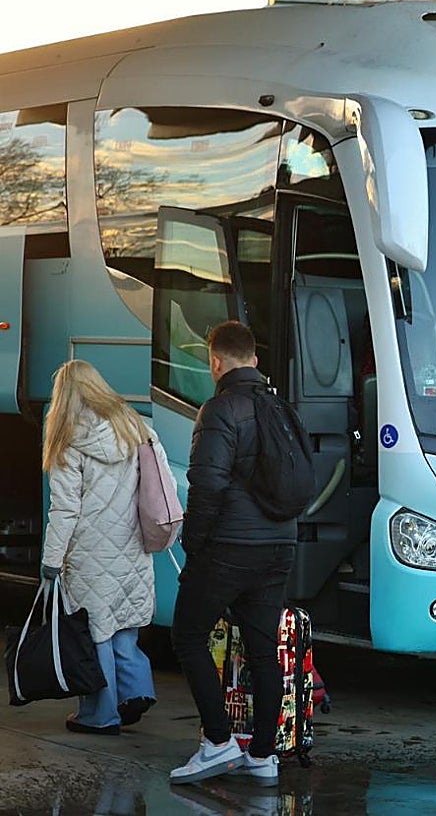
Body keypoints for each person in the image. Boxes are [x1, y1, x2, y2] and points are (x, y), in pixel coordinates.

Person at [169, 321, 297, 786]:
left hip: (230, 547)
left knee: (187, 634)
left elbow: (207, 484)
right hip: (280, 543)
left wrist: (194, 542)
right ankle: (263, 755)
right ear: (256, 360)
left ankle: (218, 741)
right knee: (263, 650)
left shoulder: (219, 410)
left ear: (215, 362)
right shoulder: (280, 406)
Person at [39, 360, 161, 735]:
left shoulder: (67, 440)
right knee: (124, 624)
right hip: (132, 544)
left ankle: (100, 714)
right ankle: (136, 691)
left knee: (96, 632)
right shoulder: (135, 427)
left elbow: (65, 509)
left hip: (91, 552)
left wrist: (51, 560)